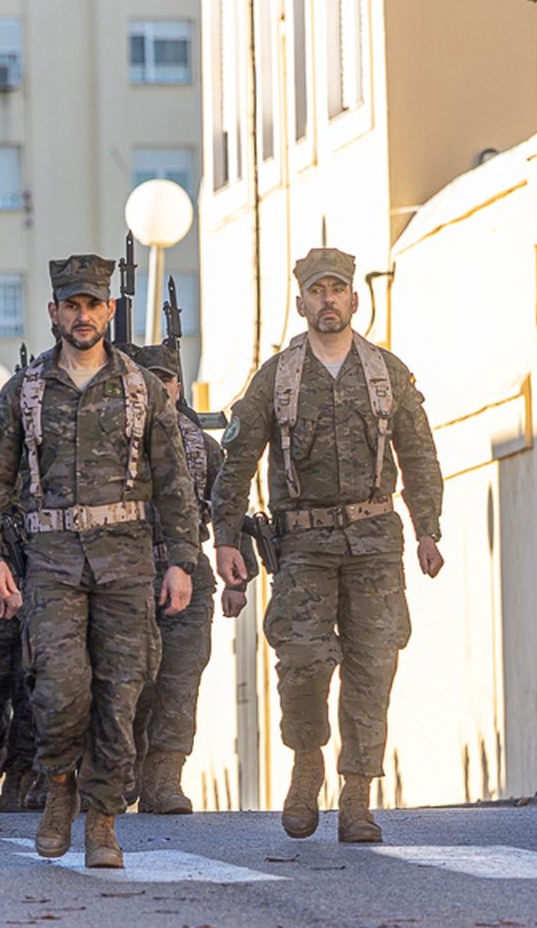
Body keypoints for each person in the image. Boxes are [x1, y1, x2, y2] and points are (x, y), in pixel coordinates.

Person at [0, 254, 200, 868]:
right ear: (54, 313)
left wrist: (181, 562)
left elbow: (175, 482)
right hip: (53, 567)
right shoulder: (26, 391)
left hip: (126, 565)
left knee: (121, 694)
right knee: (61, 690)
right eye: (71, 305)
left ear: (109, 311)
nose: (82, 315)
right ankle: (59, 787)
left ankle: (102, 821)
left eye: (93, 304)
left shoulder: (141, 389)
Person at [211, 246, 444, 843]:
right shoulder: (278, 379)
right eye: (317, 291)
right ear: (301, 303)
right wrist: (227, 541)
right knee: (304, 665)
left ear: (354, 299)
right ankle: (307, 761)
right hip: (304, 547)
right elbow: (237, 462)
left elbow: (417, 454)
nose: (328, 300)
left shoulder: (386, 373)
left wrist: (427, 529)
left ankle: (358, 794)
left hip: (374, 545)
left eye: (337, 289)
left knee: (373, 667)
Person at [128, 344, 241, 814]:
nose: (161, 387)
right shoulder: (119, 438)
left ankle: (164, 778)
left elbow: (230, 512)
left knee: (181, 677)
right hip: (129, 575)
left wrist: (237, 576)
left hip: (188, 575)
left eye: (167, 378)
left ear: (178, 385)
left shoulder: (203, 447)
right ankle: (121, 769)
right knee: (128, 678)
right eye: (150, 378)